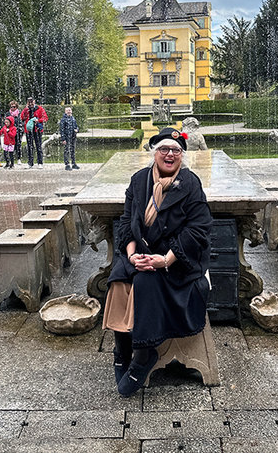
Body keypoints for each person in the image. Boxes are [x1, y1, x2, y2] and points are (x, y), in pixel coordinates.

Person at [102, 126, 212, 397]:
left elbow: (197, 230)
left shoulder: (190, 184)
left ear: (182, 155)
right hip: (140, 252)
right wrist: (131, 254)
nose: (170, 154)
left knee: (144, 281)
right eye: (164, 149)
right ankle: (121, 349)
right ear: (154, 153)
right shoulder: (139, 180)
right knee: (117, 279)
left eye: (176, 150)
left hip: (177, 261)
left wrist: (165, 259)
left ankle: (143, 354)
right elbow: (127, 222)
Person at [20, 97, 48, 168]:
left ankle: (40, 162)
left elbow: (45, 118)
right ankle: (30, 163)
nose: (30, 104)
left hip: (37, 130)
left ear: (34, 102)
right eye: (29, 102)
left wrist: (38, 120)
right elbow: (22, 117)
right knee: (29, 146)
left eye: (31, 102)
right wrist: (26, 110)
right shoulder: (26, 109)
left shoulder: (40, 108)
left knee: (38, 146)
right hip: (29, 131)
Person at [60, 106, 80, 170]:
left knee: (72, 150)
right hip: (66, 137)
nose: (69, 111)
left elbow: (76, 126)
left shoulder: (73, 118)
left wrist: (77, 129)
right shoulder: (63, 119)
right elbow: (62, 130)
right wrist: (63, 139)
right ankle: (67, 164)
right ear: (65, 112)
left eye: (70, 110)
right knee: (66, 151)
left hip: (73, 137)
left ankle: (73, 163)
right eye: (67, 110)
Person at [6, 100, 23, 165]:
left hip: (18, 131)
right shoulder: (8, 114)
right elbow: (6, 122)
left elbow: (21, 121)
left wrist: (20, 128)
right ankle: (11, 158)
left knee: (18, 144)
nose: (12, 108)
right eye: (11, 107)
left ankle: (18, 158)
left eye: (14, 107)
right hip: (10, 132)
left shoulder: (19, 113)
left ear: (16, 107)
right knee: (10, 145)